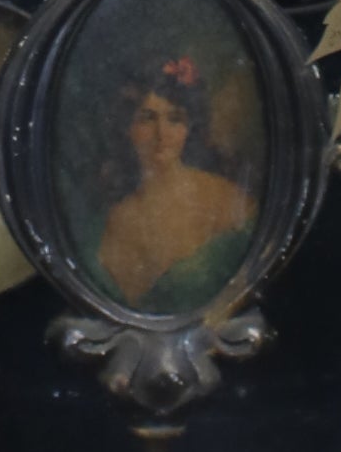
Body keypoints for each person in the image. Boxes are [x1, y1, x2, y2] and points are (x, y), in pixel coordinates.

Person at [93, 56, 253, 308]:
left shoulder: (222, 196)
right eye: (147, 118)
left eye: (174, 119)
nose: (162, 134)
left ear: (188, 128)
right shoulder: (121, 219)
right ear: (128, 128)